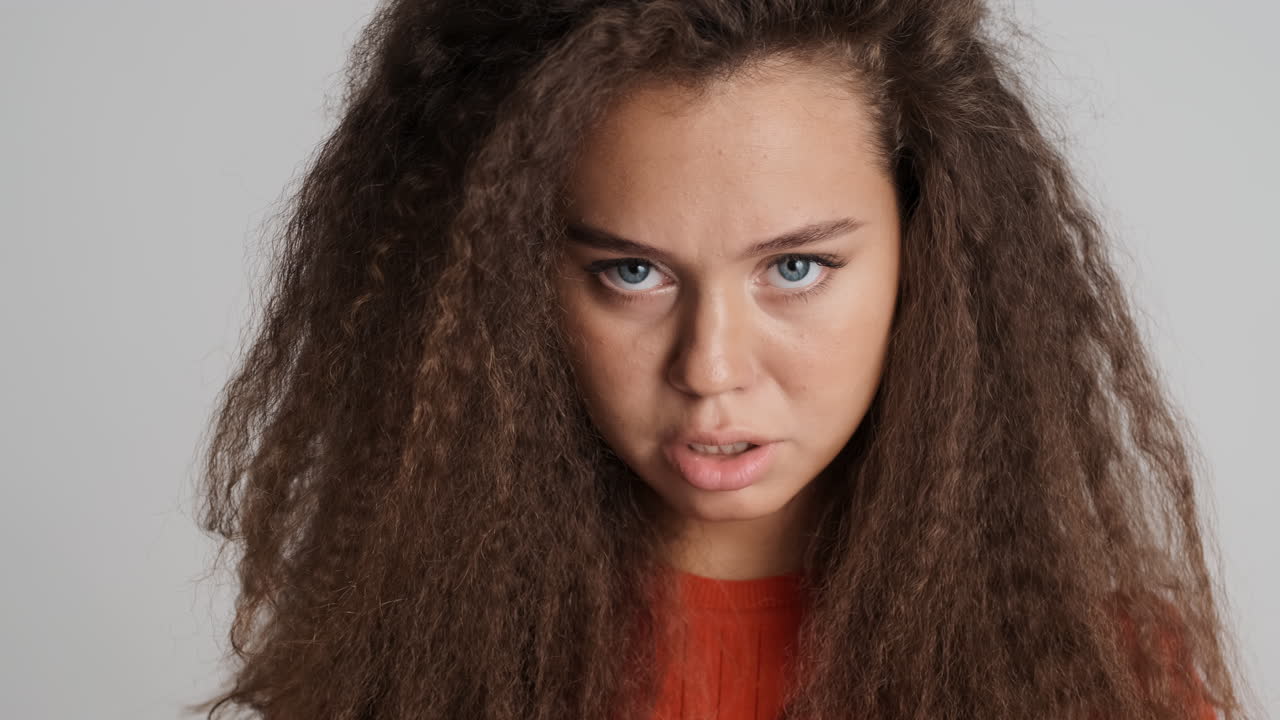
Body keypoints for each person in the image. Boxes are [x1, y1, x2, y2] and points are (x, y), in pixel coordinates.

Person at [190, 1, 1247, 718]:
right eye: (631, 275)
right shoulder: (397, 679)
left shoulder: (1106, 683)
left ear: (927, 255)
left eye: (793, 267)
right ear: (509, 288)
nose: (710, 368)